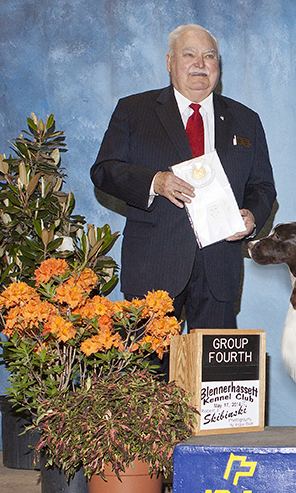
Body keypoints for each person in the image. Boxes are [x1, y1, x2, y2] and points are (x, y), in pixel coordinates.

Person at [91, 24, 276, 332]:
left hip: (219, 269)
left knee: (215, 365)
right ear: (169, 61)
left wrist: (252, 216)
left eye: (209, 56)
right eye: (189, 55)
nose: (200, 64)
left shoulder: (246, 119)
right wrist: (155, 182)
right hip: (153, 267)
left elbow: (263, 186)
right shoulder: (133, 110)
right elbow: (104, 170)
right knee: (150, 364)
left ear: (218, 65)